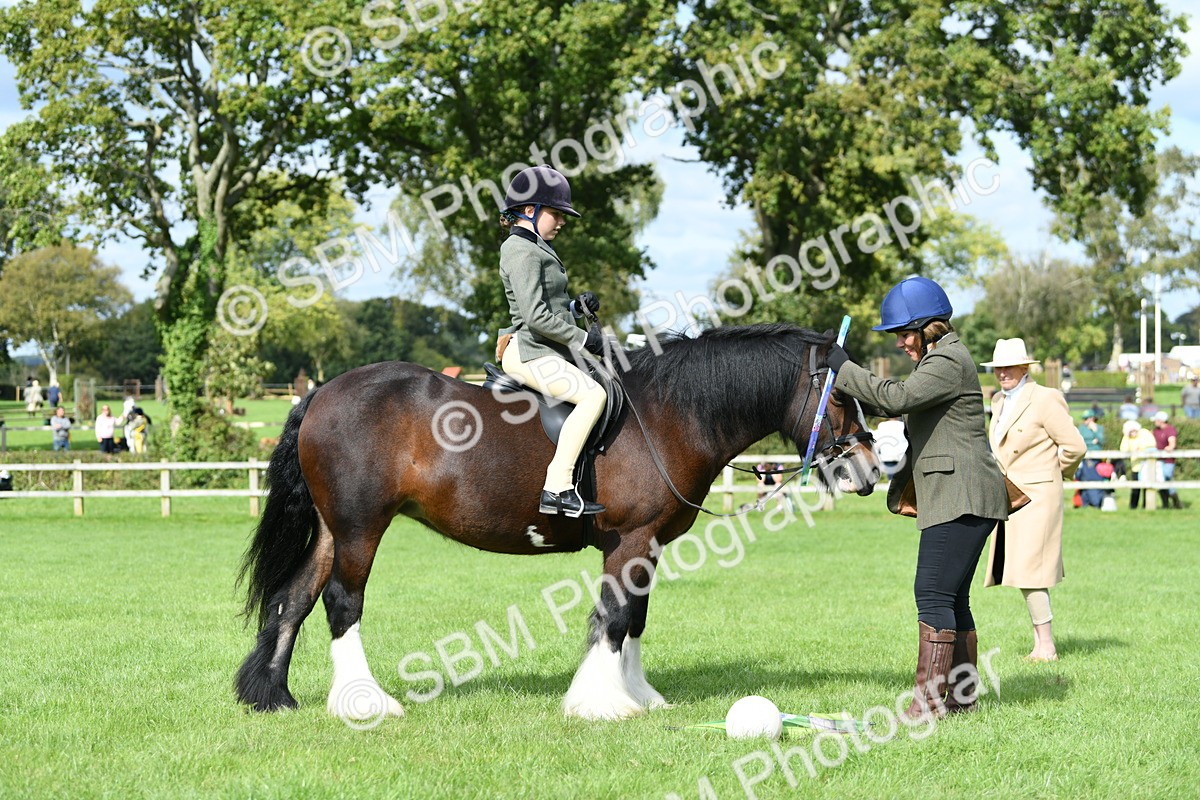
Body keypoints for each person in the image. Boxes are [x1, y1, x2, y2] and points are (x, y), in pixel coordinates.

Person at [826, 275, 1009, 718]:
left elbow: (897, 397)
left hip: (961, 495)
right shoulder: (940, 360)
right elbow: (898, 407)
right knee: (952, 599)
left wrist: (843, 369)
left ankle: (926, 706)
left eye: (903, 334)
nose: (899, 344)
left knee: (931, 593)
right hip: (959, 495)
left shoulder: (947, 361)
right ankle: (962, 700)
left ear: (929, 328)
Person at [495, 165, 607, 517]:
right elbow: (534, 317)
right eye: (556, 213)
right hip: (530, 351)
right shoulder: (521, 250)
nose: (561, 221)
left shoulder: (536, 247)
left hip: (544, 347)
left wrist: (575, 307)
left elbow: (551, 308)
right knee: (593, 396)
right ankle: (557, 488)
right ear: (530, 210)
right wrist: (584, 339)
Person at [980, 338, 1086, 663]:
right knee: (1025, 571)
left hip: (1038, 497)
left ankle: (1047, 645)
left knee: (1032, 571)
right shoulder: (998, 400)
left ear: (1025, 367)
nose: (1002, 373)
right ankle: (1041, 643)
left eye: (1009, 367)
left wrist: (1053, 473)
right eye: (998, 368)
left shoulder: (1046, 398)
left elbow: (1075, 446)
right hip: (1011, 497)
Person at [1120, 420, 1158, 509]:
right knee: (1135, 488)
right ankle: (1133, 506)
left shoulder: (1144, 432)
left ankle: (1147, 506)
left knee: (1147, 487)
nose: (1133, 433)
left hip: (1146, 466)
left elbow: (1152, 444)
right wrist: (1126, 437)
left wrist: (1141, 448)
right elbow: (1123, 449)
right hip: (1135, 466)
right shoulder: (1127, 438)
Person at [1150, 411, 1182, 509]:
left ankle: (1175, 500)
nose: (1155, 422)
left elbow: (1172, 443)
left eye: (1156, 420)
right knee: (1160, 480)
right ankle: (1166, 503)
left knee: (1167, 477)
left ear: (1161, 420)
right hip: (1158, 460)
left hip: (1168, 460)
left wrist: (1169, 447)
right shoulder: (1155, 430)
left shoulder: (1170, 430)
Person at [1076, 411, 1108, 509]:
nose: (1085, 421)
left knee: (1096, 478)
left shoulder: (1099, 428)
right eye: (1084, 419)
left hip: (1096, 458)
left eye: (1087, 418)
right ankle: (1085, 502)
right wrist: (1093, 442)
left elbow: (1102, 441)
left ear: (1092, 418)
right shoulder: (1081, 429)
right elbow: (1080, 441)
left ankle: (1096, 502)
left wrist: (1095, 432)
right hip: (1085, 457)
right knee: (1084, 478)